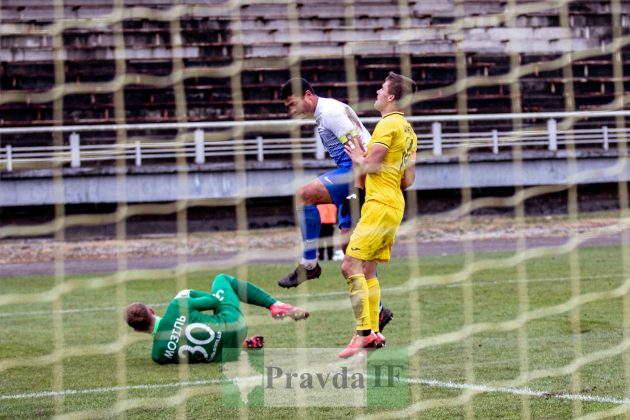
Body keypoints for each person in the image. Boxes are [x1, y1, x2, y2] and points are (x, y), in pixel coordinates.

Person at [279, 78, 394, 333]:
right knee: (351, 256)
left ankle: (309, 264)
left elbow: (360, 151)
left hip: (357, 177)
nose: (291, 110)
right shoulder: (325, 114)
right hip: (354, 179)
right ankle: (379, 312)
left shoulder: (330, 113)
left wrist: (359, 192)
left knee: (303, 195)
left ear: (307, 95)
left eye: (292, 103)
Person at [339, 72, 418, 358]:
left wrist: (357, 155)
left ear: (392, 97)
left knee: (349, 266)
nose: (377, 91)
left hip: (379, 205)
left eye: (382, 88)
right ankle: (372, 332)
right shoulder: (408, 130)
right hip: (395, 205)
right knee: (368, 270)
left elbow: (370, 166)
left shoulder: (387, 125)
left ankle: (363, 334)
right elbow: (408, 180)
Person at [125, 273, 309, 364]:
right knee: (221, 279)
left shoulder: (158, 355)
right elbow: (213, 300)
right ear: (151, 310)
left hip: (227, 354)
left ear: (136, 330)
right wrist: (189, 294)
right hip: (234, 324)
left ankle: (242, 345)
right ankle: (273, 304)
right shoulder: (176, 306)